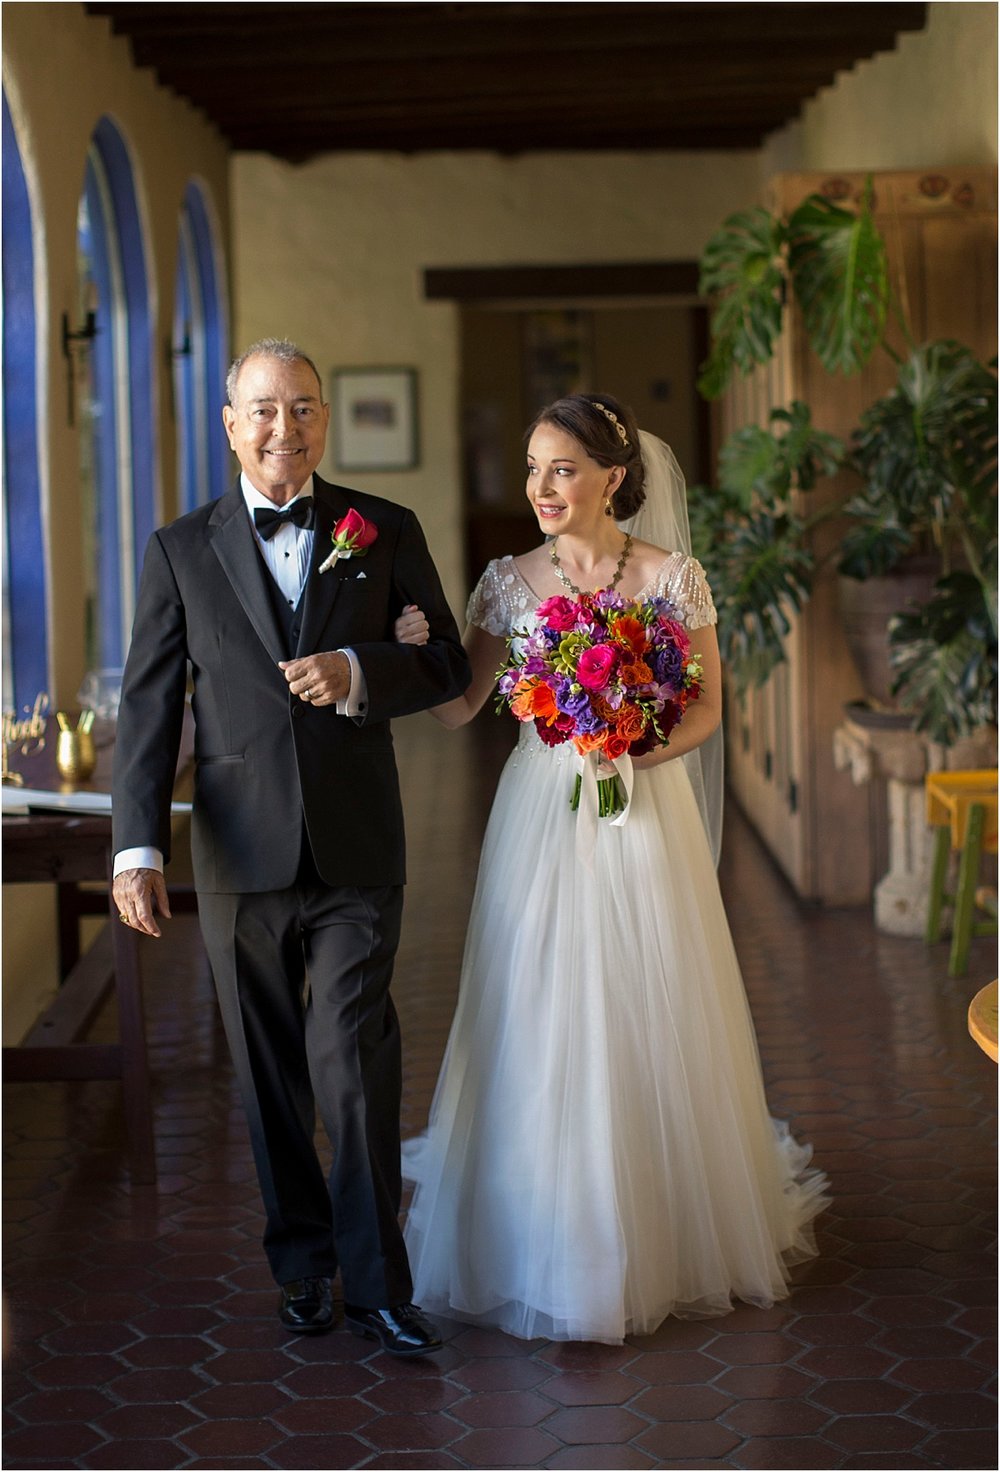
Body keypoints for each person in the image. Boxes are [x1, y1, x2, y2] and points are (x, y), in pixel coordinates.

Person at [393, 392, 828, 1344]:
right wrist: (406, 654)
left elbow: (707, 712)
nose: (542, 487)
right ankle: (543, 1222)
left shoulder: (672, 578)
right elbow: (463, 709)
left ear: (613, 479)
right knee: (538, 995)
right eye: (534, 468)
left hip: (642, 805)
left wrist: (627, 751)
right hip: (541, 812)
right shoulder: (507, 582)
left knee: (650, 995)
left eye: (563, 469)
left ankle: (663, 1224)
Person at [111, 338, 470, 1355]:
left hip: (358, 838)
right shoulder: (179, 547)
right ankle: (302, 1263)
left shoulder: (382, 528)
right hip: (237, 848)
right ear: (231, 423)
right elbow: (148, 705)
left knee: (350, 1056)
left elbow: (441, 661)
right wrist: (135, 845)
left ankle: (377, 1281)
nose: (285, 428)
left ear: (325, 417)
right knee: (268, 1068)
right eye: (264, 409)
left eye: (304, 407)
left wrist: (361, 672)